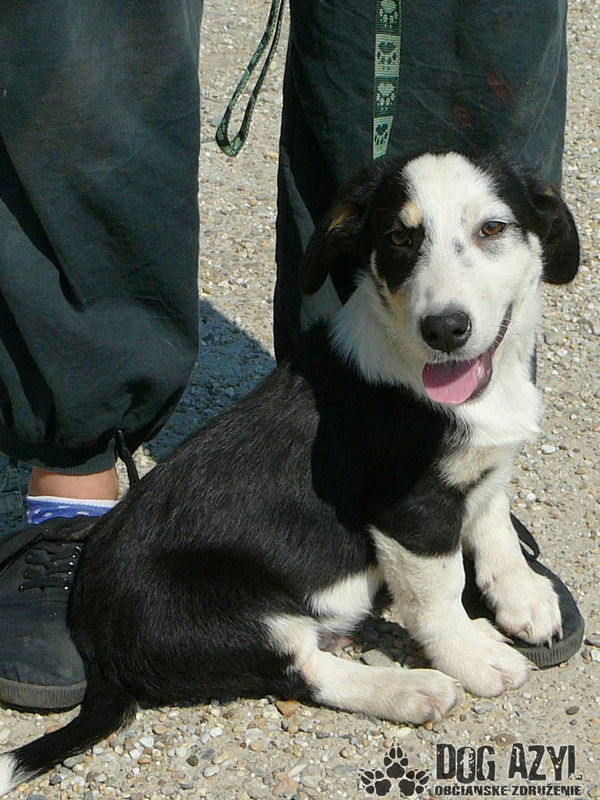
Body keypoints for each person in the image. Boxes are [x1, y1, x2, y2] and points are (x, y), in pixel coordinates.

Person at [0, 0, 573, 710]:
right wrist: (443, 630)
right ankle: (72, 494)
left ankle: (467, 531)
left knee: (446, 28)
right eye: (403, 240)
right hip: (226, 597)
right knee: (94, 34)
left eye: (492, 231)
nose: (445, 304)